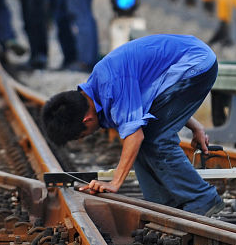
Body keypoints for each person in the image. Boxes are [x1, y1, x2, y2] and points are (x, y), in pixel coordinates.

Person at [40, 34, 223, 216]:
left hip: (196, 62)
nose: (89, 135)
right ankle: (163, 207)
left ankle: (202, 199)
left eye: (83, 134)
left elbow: (135, 136)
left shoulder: (111, 84)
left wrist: (115, 183)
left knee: (156, 139)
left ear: (86, 120)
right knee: (145, 136)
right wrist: (194, 125)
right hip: (188, 61)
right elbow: (155, 100)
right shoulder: (99, 87)